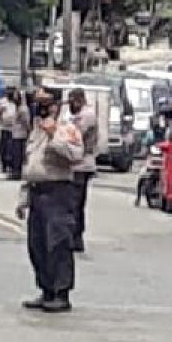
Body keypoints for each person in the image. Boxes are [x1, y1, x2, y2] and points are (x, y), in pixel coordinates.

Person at [16, 93, 84, 313]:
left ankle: (61, 293)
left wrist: (54, 135)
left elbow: (75, 156)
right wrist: (23, 198)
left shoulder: (67, 128)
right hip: (38, 191)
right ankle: (46, 289)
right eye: (39, 103)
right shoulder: (35, 130)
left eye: (46, 104)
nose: (41, 108)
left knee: (58, 243)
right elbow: (30, 164)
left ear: (56, 106)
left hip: (58, 192)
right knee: (37, 246)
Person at [67, 89, 98, 254]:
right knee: (72, 203)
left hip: (81, 164)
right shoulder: (75, 115)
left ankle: (75, 236)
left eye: (72, 101)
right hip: (74, 164)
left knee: (75, 203)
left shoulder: (86, 116)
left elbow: (75, 135)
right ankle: (73, 235)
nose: (70, 104)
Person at [7, 88, 31, 181]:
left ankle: (17, 173)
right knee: (15, 155)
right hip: (16, 134)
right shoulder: (18, 108)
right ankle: (15, 172)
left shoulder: (23, 109)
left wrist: (29, 132)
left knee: (18, 155)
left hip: (21, 135)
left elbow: (26, 122)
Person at [0, 89, 17, 174]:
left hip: (13, 128)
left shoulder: (16, 102)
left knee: (11, 147)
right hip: (4, 127)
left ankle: (10, 164)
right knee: (4, 147)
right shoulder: (3, 102)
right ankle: (4, 165)